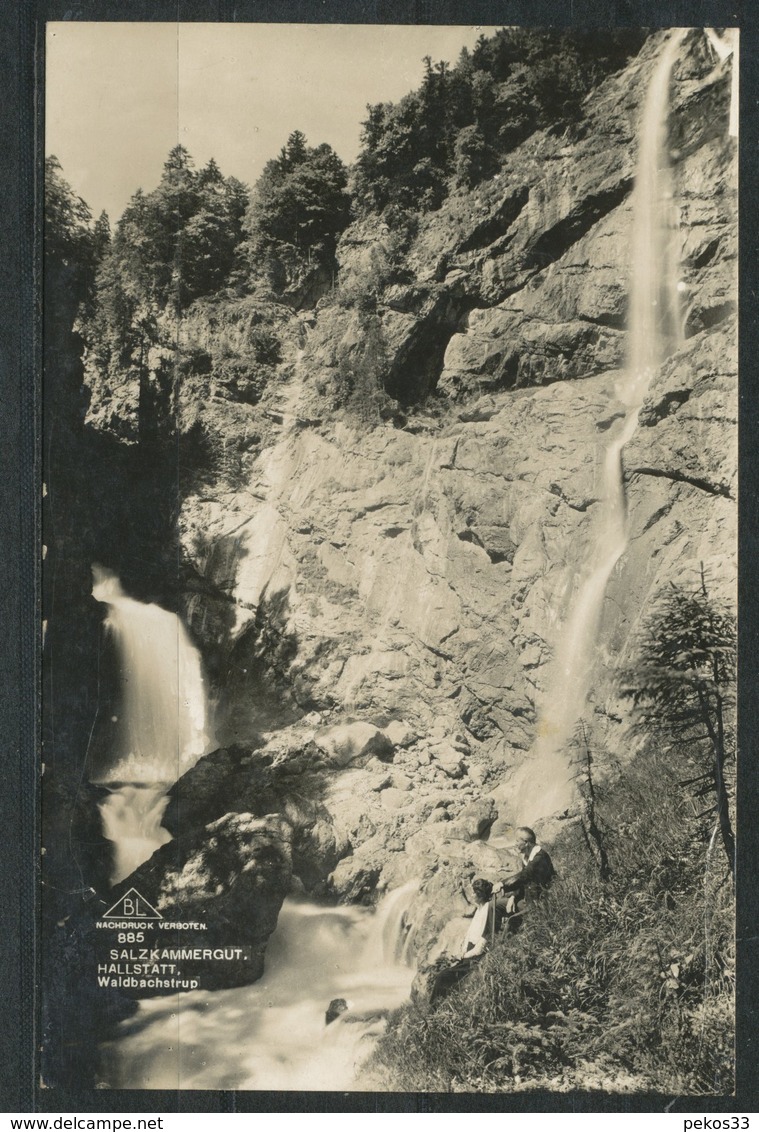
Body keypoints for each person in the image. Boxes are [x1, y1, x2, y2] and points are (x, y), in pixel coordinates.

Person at [427, 878, 502, 1004]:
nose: (471, 895)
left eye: (474, 892)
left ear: (480, 894)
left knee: (442, 977)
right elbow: (470, 934)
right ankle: (437, 1006)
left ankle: (434, 1009)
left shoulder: (488, 909)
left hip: (477, 956)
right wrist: (461, 952)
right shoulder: (479, 909)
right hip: (468, 953)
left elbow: (483, 942)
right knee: (443, 975)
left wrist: (465, 955)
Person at [495, 826, 555, 928]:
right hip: (528, 900)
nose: (515, 844)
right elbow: (523, 881)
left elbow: (525, 875)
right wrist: (513, 896)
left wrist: (502, 884)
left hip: (540, 903)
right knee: (494, 905)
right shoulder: (527, 857)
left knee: (511, 921)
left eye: (517, 841)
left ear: (526, 843)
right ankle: (492, 937)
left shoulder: (539, 857)